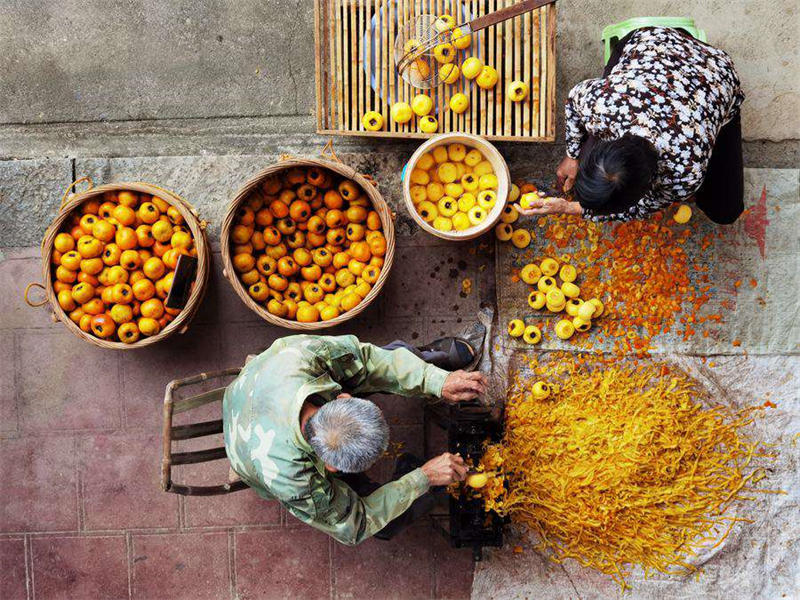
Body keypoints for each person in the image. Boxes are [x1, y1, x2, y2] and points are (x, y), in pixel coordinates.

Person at [222, 333, 487, 545]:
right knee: (384, 525)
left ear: (343, 398)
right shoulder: (297, 482)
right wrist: (423, 478)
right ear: (331, 469)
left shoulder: (307, 356)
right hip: (249, 442)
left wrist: (435, 380)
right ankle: (419, 477)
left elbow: (368, 359)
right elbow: (356, 525)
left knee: (378, 358)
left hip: (267, 379)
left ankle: (429, 360)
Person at [517, 27, 745, 224]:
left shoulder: (685, 174)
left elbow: (640, 208)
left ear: (647, 187)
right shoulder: (603, 104)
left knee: (725, 211)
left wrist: (569, 208)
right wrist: (572, 155)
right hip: (654, 42)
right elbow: (574, 99)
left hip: (716, 75)